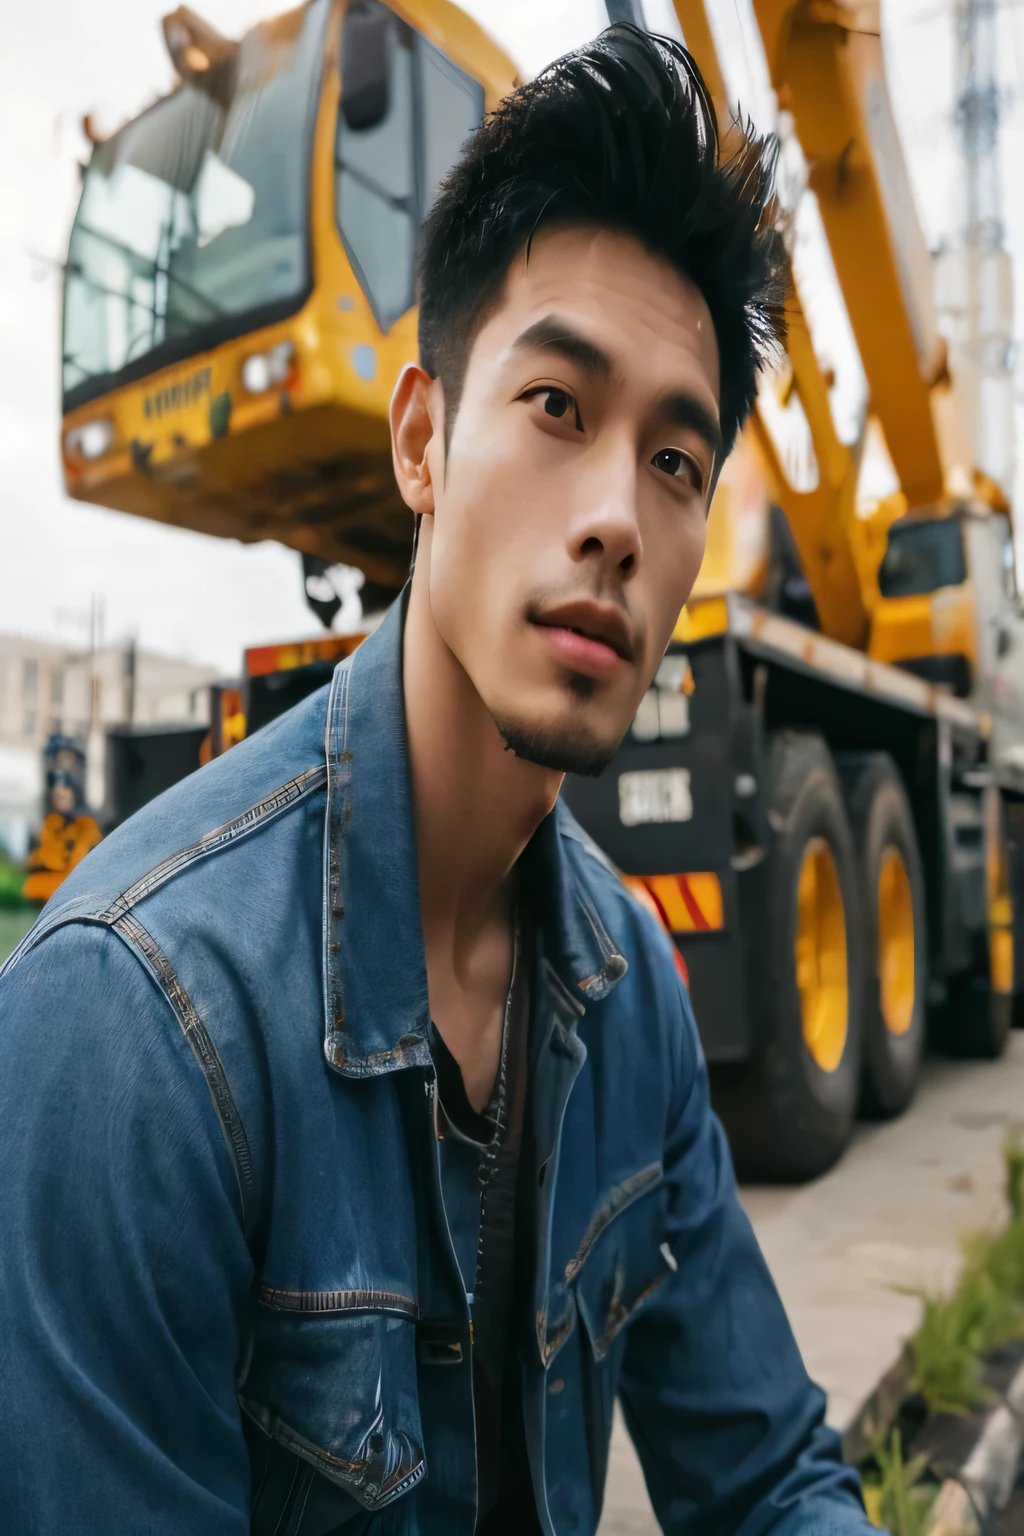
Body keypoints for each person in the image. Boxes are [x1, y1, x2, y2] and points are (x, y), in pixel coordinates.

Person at [0, 26, 881, 1536]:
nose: (615, 515)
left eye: (678, 461)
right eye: (557, 405)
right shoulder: (133, 1030)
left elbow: (772, 1477)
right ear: (423, 438)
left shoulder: (631, 993)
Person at [21, 770, 101, 905]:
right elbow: (45, 858)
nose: (62, 802)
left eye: (66, 797)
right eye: (58, 797)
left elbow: (89, 857)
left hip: (76, 880)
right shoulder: (50, 823)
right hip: (51, 881)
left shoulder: (87, 825)